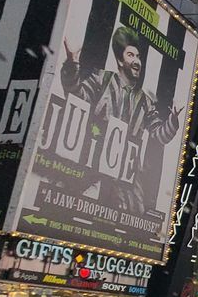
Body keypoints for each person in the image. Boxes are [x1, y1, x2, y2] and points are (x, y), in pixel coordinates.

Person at [60, 27, 184, 216]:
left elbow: (159, 136)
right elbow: (78, 95)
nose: (137, 61)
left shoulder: (144, 100)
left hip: (124, 178)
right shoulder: (101, 79)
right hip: (90, 167)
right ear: (119, 60)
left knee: (134, 218)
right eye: (131, 55)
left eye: (138, 56)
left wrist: (173, 120)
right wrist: (72, 64)